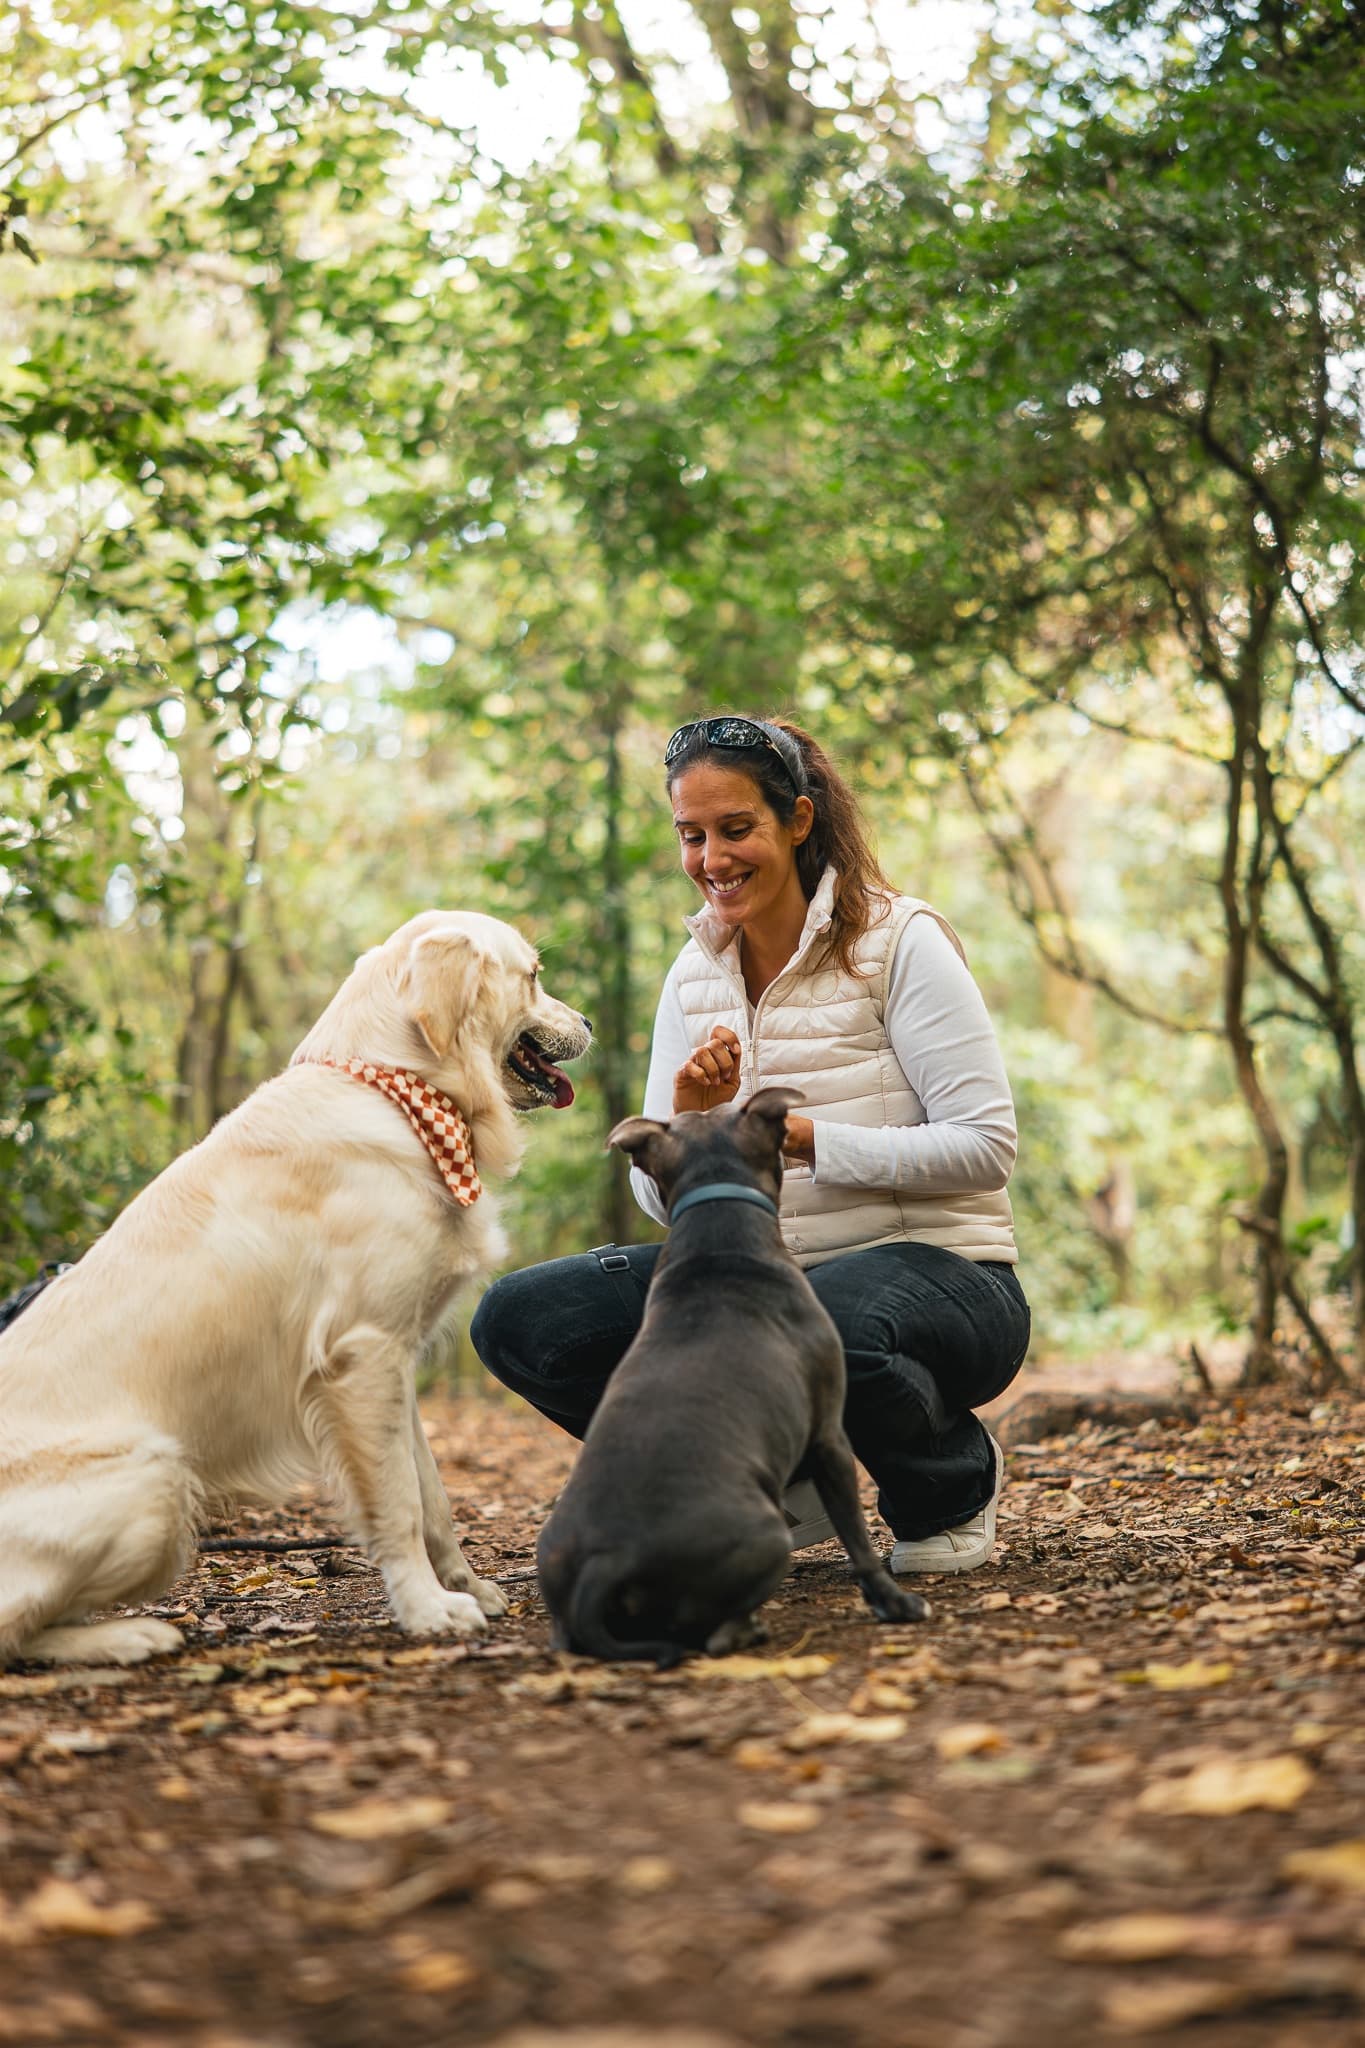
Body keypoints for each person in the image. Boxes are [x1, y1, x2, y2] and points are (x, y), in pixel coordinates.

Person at [471, 714, 1030, 1572]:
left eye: (736, 829)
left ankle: (947, 1483)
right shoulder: (692, 975)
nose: (711, 860)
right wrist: (688, 1128)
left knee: (832, 1320)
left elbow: (984, 1146)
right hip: (755, 1283)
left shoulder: (898, 941)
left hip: (940, 1273)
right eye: (691, 836)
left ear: (798, 821)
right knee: (524, 1318)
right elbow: (660, 1204)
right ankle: (776, 1481)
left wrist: (802, 1140)